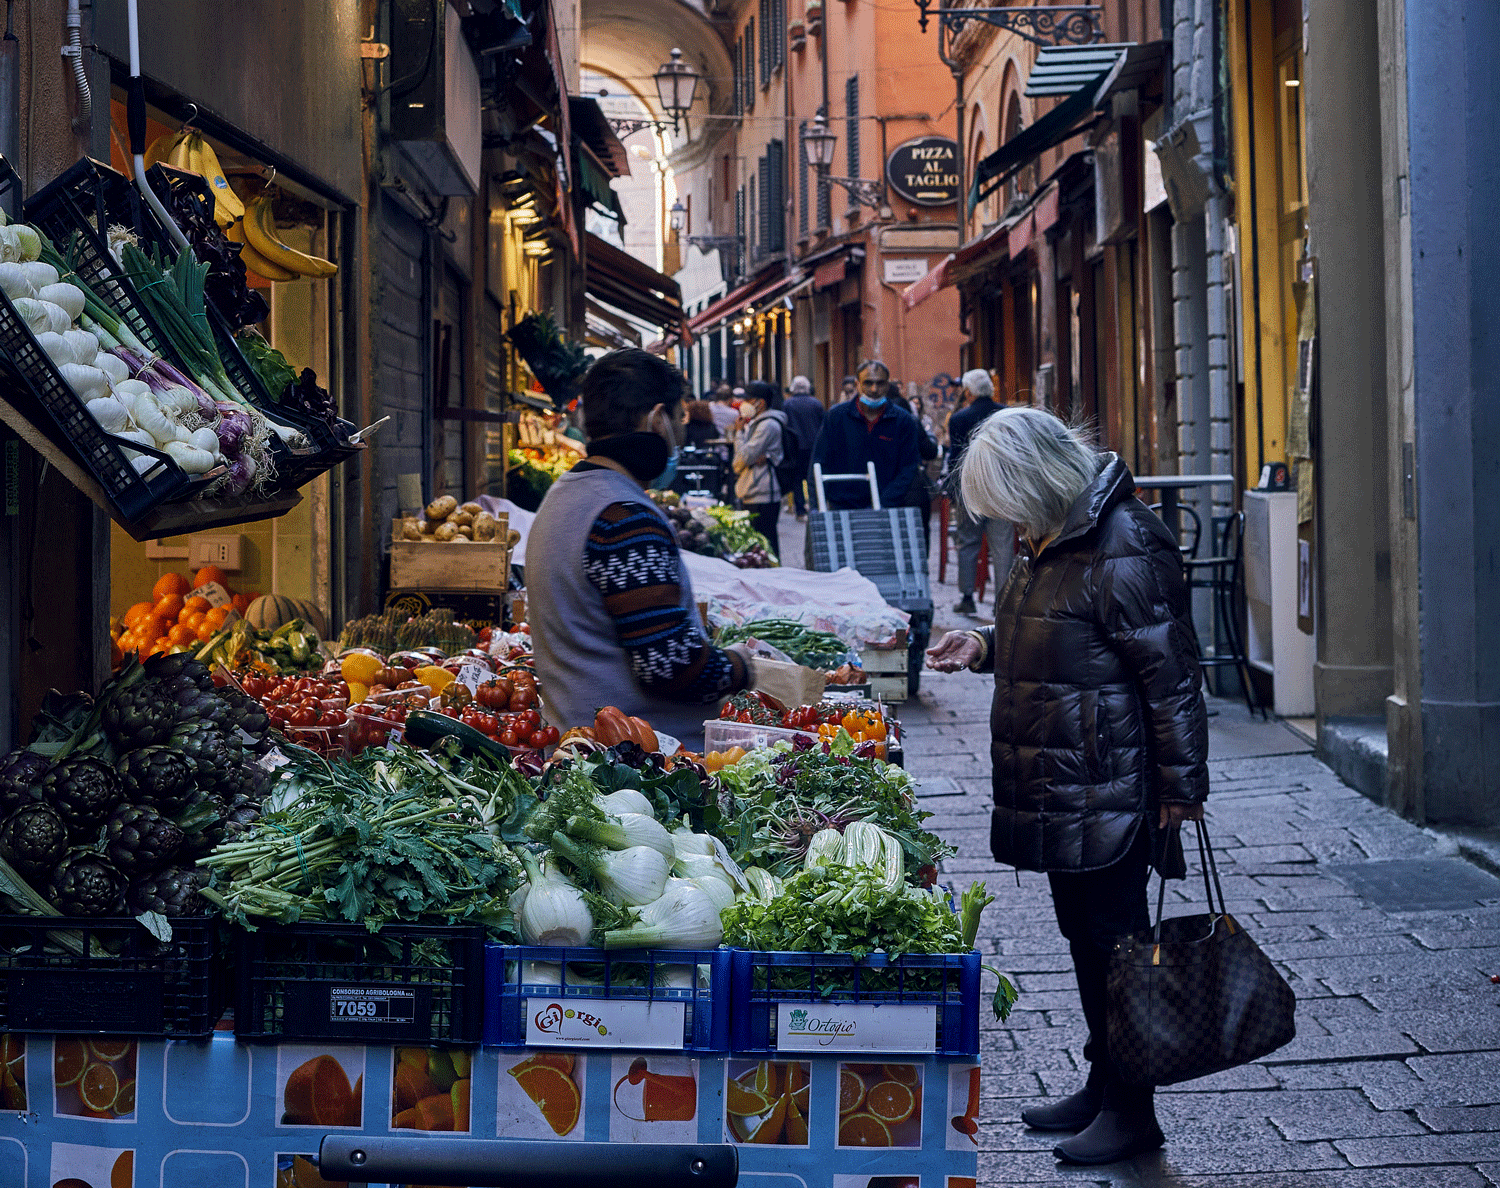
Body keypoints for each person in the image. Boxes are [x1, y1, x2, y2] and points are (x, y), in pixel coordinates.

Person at [925, 407, 1209, 1166]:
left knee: (1116, 945)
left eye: (1005, 500)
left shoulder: (1122, 540)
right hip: (1061, 779)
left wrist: (1182, 785)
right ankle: (1104, 1081)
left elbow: (1171, 676)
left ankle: (1132, 1110)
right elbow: (1065, 634)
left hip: (1107, 780)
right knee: (1084, 939)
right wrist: (983, 644)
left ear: (1037, 479)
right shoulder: (1049, 534)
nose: (1003, 520)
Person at [526, 349, 756, 752]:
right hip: (641, 766)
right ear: (657, 420)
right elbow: (671, 667)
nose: (681, 434)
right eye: (679, 419)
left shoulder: (562, 497)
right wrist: (742, 667)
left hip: (585, 753)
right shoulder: (624, 516)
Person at [808, 360, 922, 511]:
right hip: (843, 506)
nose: (874, 389)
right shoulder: (836, 417)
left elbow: (909, 466)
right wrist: (816, 506)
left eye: (880, 383)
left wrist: (885, 502)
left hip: (887, 508)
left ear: (887, 385)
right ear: (857, 384)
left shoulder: (903, 420)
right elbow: (819, 462)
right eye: (868, 383)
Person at [946, 369, 1012, 616]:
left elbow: (956, 457)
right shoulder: (1005, 414)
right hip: (1001, 488)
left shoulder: (959, 418)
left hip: (971, 487)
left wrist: (953, 489)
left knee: (968, 542)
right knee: (1003, 546)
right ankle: (1002, 602)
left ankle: (967, 597)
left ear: (969, 392)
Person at [731, 380, 787, 557]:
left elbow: (742, 458)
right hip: (754, 491)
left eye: (748, 399)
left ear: (760, 403)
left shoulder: (767, 425)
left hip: (762, 493)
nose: (744, 404)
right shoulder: (757, 423)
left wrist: (739, 433)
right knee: (759, 545)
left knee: (765, 545)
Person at [781, 375, 825, 519]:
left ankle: (800, 511)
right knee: (813, 478)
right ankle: (815, 508)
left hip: (795, 447)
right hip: (814, 446)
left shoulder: (787, 404)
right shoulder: (816, 404)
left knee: (797, 479)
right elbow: (822, 425)